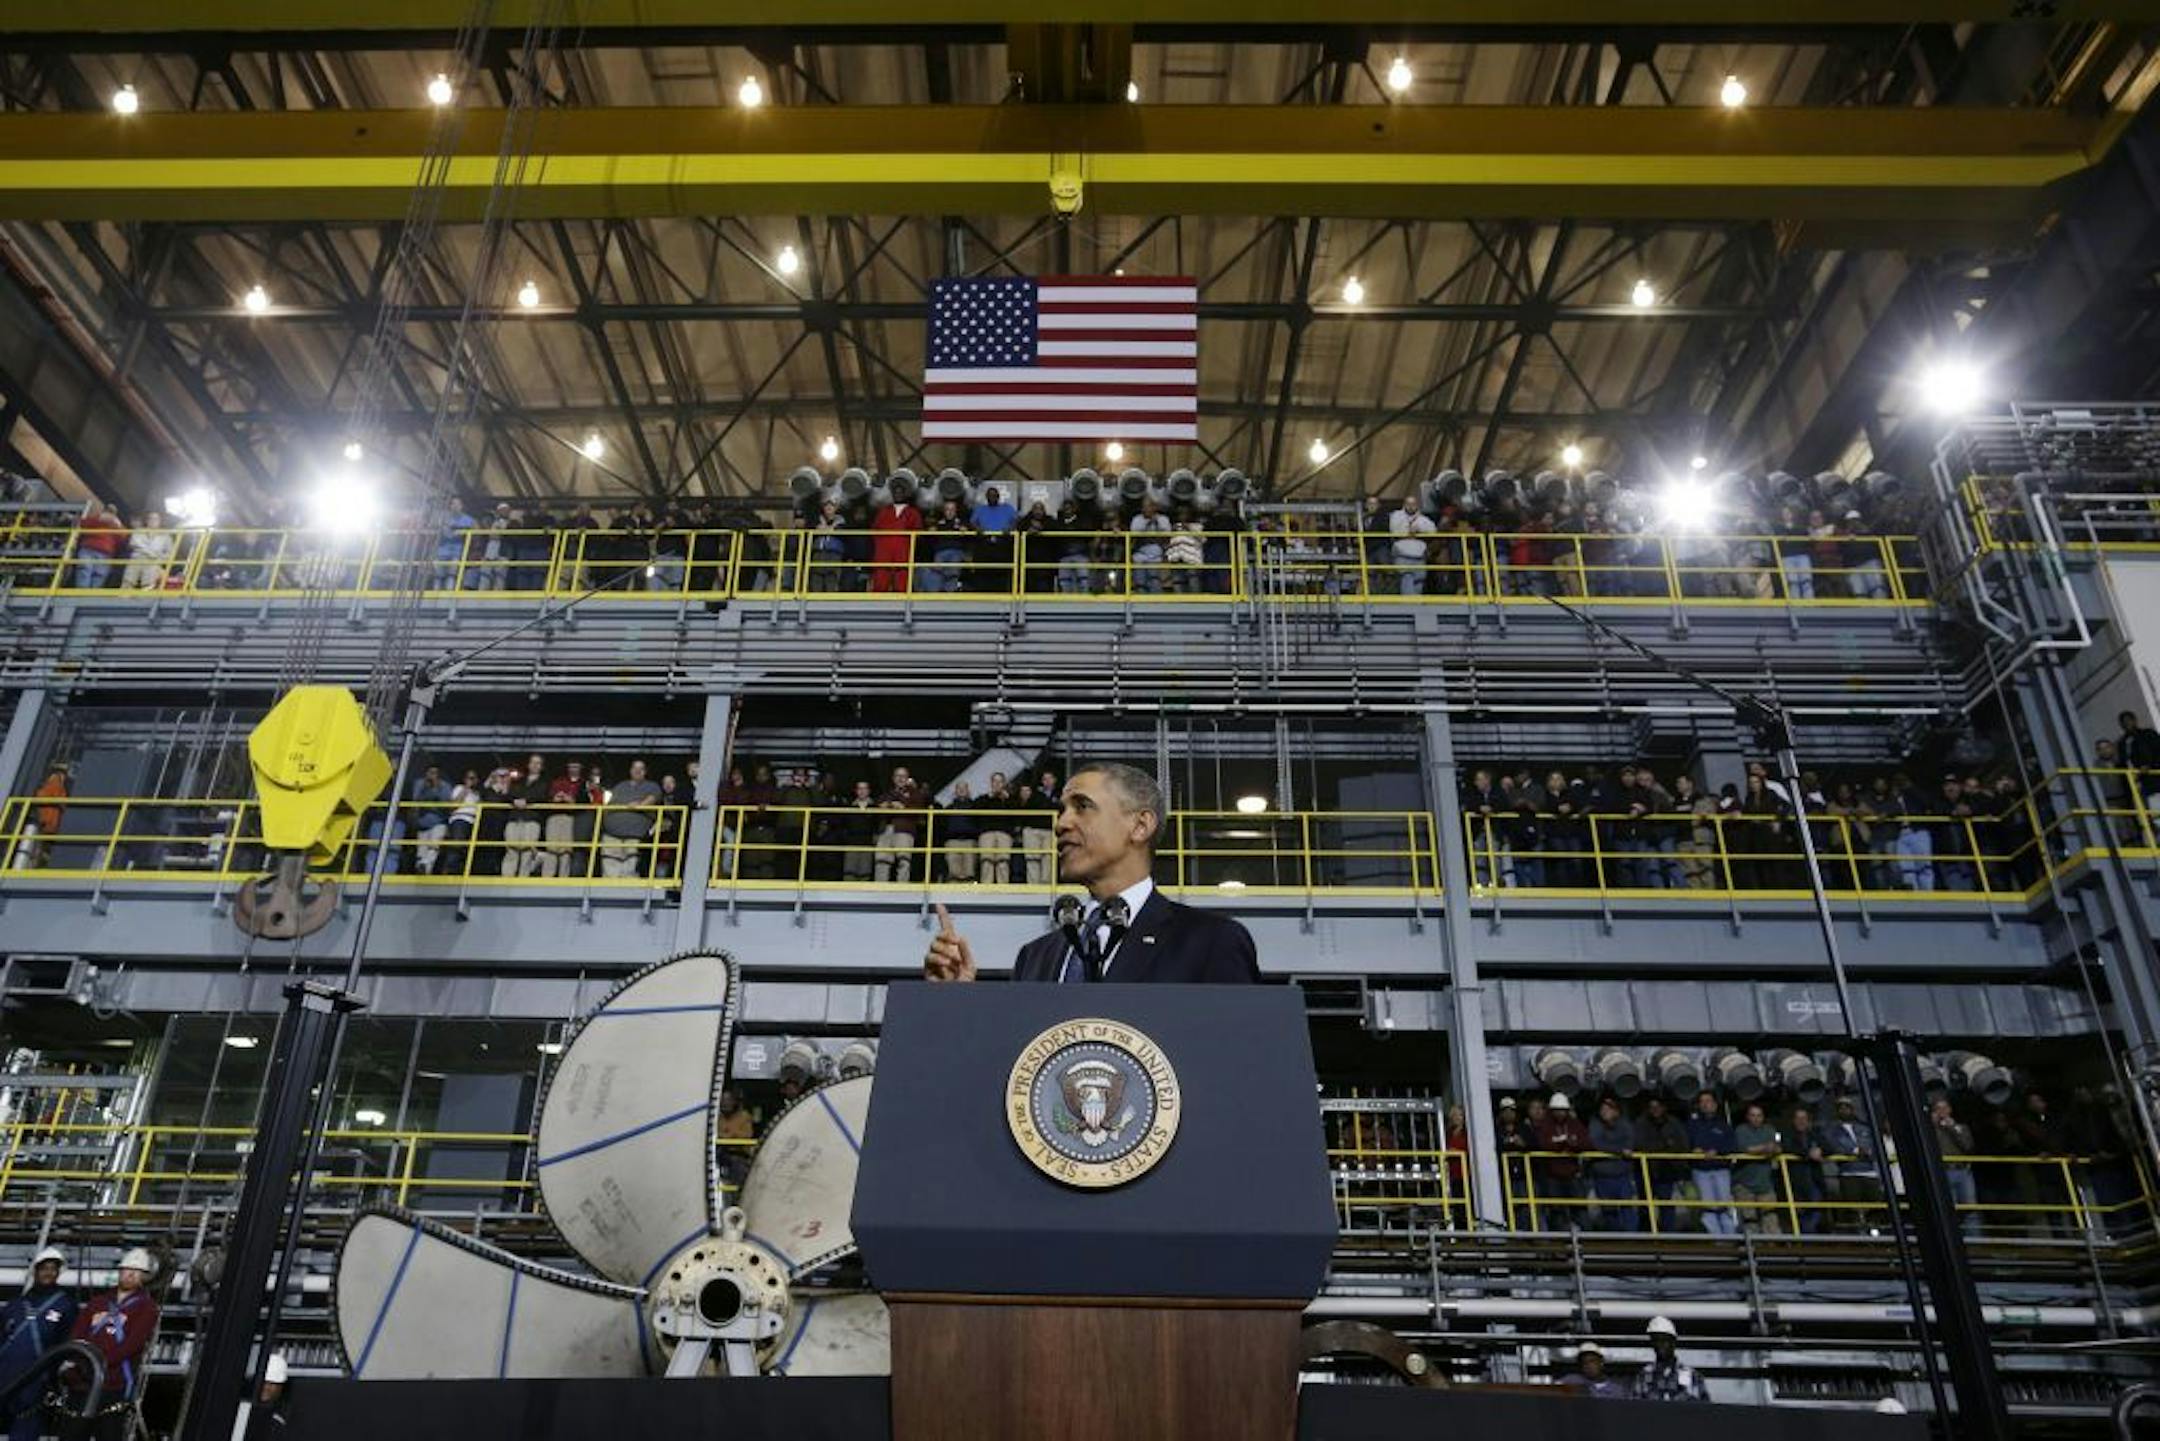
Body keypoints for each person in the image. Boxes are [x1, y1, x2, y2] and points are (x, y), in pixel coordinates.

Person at [924, 761, 1258, 984]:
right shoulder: (1036, 958)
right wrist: (959, 1002)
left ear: (1140, 826)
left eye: (1082, 807)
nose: (1061, 824)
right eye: (1061, 810)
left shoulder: (1210, 942)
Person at [58, 1248, 159, 1441]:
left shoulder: (146, 1308)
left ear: (144, 1277)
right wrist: (78, 1365)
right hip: (82, 1384)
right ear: (119, 1271)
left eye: (135, 1272)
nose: (129, 1275)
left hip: (113, 1385)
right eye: (127, 1270)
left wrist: (97, 1363)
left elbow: (132, 1345)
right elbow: (77, 1335)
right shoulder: (97, 1303)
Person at [2, 1246, 77, 1441]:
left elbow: (68, 1343)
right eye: (44, 1268)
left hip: (37, 1381)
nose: (48, 1272)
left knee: (25, 1432)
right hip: (5, 1377)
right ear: (35, 1271)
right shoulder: (14, 1306)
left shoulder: (66, 1305)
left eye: (53, 1268)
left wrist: (55, 1379)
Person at [1635, 1095, 1693, 1232]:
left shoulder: (1673, 1123)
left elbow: (1683, 1144)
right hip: (1645, 1170)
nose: (1655, 1110)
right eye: (1652, 1107)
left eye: (1658, 1106)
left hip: (1667, 1170)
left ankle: (1668, 1233)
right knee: (1644, 1205)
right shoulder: (1641, 1123)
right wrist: (1665, 1145)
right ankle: (1646, 1232)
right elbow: (1639, 1144)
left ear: (1664, 1108)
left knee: (1666, 1203)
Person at [1532, 1092, 1589, 1229]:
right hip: (1553, 1175)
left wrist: (1573, 1145)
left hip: (1572, 1174)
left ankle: (1587, 1238)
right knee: (1556, 1209)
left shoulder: (1574, 1124)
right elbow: (1542, 1144)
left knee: (1579, 1208)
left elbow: (1587, 1143)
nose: (1560, 1113)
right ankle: (1559, 1238)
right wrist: (1563, 1144)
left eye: (1563, 1110)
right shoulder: (1546, 1125)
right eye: (1557, 1110)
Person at [1685, 1089, 1738, 1236]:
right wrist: (1693, 1151)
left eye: (1708, 1101)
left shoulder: (1724, 1125)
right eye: (1702, 1102)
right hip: (1700, 1170)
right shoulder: (1692, 1125)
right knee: (1708, 1208)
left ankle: (1730, 1237)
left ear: (1715, 1104)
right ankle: (1717, 1240)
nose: (1705, 1104)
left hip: (1721, 1169)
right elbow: (1685, 1144)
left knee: (1724, 1206)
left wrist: (1717, 1151)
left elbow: (1732, 1146)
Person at [1585, 1095, 1640, 1232]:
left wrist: (1613, 1149)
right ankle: (1613, 1237)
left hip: (1622, 1175)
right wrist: (1619, 1150)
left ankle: (1632, 1238)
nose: (1604, 1112)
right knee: (1608, 1210)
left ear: (1616, 1111)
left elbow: (1630, 1143)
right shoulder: (1595, 1124)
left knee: (1627, 1208)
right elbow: (1595, 1143)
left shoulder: (1625, 1124)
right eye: (1603, 1109)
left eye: (1608, 1109)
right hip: (1602, 1175)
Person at [599, 759, 662, 878]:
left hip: (635, 834)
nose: (637, 771)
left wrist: (640, 805)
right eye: (635, 768)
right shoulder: (620, 785)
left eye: (641, 769)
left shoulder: (652, 786)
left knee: (630, 865)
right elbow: (609, 804)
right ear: (630, 770)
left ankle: (628, 890)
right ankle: (609, 889)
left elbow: (652, 799)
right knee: (609, 862)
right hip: (611, 833)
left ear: (645, 772)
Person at [1629, 1315, 1709, 1401]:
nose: (1660, 1345)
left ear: (1673, 1342)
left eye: (1664, 1340)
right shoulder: (1643, 1376)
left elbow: (1704, 1410)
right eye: (1656, 1340)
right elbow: (1635, 1409)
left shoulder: (1692, 1376)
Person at [1931, 1097, 1979, 1238]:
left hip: (1963, 1170)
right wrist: (1932, 1125)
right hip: (1944, 1171)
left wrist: (1952, 1128)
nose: (1942, 1112)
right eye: (1938, 1109)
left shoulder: (1961, 1127)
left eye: (1944, 1108)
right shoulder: (1931, 1129)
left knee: (1970, 1209)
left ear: (1950, 1110)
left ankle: (1975, 1242)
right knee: (1948, 1210)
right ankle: (1952, 1241)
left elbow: (1968, 1146)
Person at [1387, 495, 1435, 596]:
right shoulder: (1396, 515)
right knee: (1406, 579)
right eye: (1408, 504)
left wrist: (1419, 529)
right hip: (1402, 554)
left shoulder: (1422, 518)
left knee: (1419, 581)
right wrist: (1410, 530)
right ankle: (1410, 607)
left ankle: (1416, 607)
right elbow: (1394, 529)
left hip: (1419, 556)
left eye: (1413, 504)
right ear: (1404, 505)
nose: (1411, 506)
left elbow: (1432, 530)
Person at [408, 765, 452, 877]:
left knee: (434, 846)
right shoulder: (419, 783)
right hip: (422, 821)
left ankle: (425, 868)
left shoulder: (445, 785)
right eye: (430, 772)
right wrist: (426, 787)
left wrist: (436, 786)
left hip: (439, 821)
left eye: (435, 772)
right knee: (421, 850)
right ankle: (421, 871)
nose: (432, 775)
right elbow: (416, 799)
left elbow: (446, 803)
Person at [1557, 1340, 1622, 1397]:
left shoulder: (1616, 1390)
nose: (1588, 1366)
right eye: (1584, 1362)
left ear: (1601, 1363)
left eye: (1592, 1361)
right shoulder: (1570, 1380)